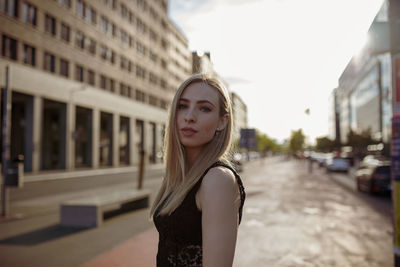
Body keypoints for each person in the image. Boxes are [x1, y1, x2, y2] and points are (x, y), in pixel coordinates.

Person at [150, 73, 246, 267]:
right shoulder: (181, 177)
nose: (189, 117)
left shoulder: (218, 180)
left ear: (222, 121)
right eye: (182, 106)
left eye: (204, 108)